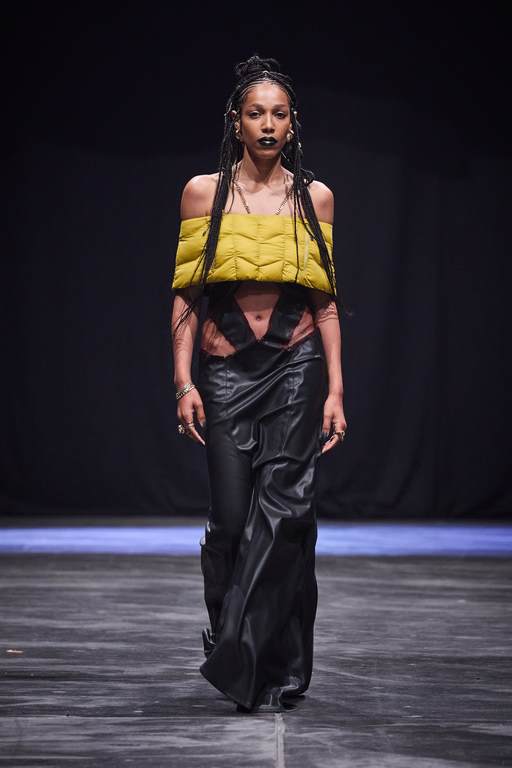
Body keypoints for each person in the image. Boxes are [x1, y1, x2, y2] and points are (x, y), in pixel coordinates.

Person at [170, 54, 347, 714]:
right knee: (229, 522)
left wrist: (336, 390)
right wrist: (182, 380)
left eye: (279, 114)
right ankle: (230, 636)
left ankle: (268, 665)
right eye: (255, 113)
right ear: (235, 121)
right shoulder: (203, 193)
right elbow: (187, 296)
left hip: (295, 366)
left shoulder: (315, 198)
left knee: (286, 513)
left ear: (293, 124)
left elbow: (325, 303)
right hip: (224, 372)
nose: (267, 124)